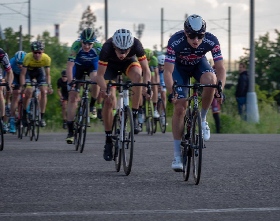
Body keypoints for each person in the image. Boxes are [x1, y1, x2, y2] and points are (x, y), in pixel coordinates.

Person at [164, 14, 226, 171]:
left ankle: (203, 119)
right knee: (180, 106)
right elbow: (168, 72)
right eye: (192, 36)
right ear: (185, 33)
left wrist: (220, 88)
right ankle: (177, 155)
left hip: (199, 65)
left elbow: (220, 69)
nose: (196, 40)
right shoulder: (175, 41)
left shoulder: (212, 40)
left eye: (200, 36)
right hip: (179, 69)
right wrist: (173, 92)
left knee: (211, 80)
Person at [94, 28, 152, 161]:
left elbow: (146, 70)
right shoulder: (107, 47)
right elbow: (99, 76)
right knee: (109, 100)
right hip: (110, 67)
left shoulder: (136, 44)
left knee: (138, 77)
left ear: (130, 47)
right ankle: (108, 140)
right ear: (114, 46)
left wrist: (147, 85)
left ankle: (135, 115)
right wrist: (105, 90)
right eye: (120, 50)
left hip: (129, 64)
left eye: (125, 50)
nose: (122, 53)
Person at [65, 28, 102, 144]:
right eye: (84, 43)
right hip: (78, 67)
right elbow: (70, 66)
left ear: (93, 42)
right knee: (72, 97)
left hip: (92, 66)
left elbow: (104, 66)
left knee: (96, 79)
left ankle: (92, 105)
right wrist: (71, 82)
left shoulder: (98, 47)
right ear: (81, 41)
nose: (86, 46)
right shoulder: (76, 45)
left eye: (89, 43)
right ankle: (70, 131)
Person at [20, 41, 53, 127]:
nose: (37, 54)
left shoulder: (47, 58)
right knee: (29, 91)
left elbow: (47, 75)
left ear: (43, 51)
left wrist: (49, 86)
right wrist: (23, 85)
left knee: (43, 91)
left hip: (39, 72)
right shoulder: (27, 57)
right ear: (32, 52)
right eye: (35, 52)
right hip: (29, 72)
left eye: (39, 52)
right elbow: (23, 74)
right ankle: (24, 114)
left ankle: (42, 117)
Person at [7, 51, 26, 133]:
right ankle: (12, 120)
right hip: (14, 76)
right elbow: (8, 74)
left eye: (21, 63)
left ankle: (27, 108)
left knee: (28, 91)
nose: (20, 65)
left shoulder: (28, 61)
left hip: (25, 75)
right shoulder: (11, 62)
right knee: (16, 94)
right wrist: (10, 85)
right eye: (18, 63)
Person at [143, 49, 160, 118]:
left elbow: (157, 74)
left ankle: (155, 108)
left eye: (149, 59)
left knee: (154, 84)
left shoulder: (154, 60)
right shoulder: (139, 59)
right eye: (146, 59)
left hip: (150, 70)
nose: (148, 61)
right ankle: (141, 109)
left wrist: (157, 83)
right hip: (142, 70)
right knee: (140, 86)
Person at [0, 48, 13, 132]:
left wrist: (8, 85)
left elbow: (10, 72)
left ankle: (2, 120)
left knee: (0, 91)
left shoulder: (2, 54)